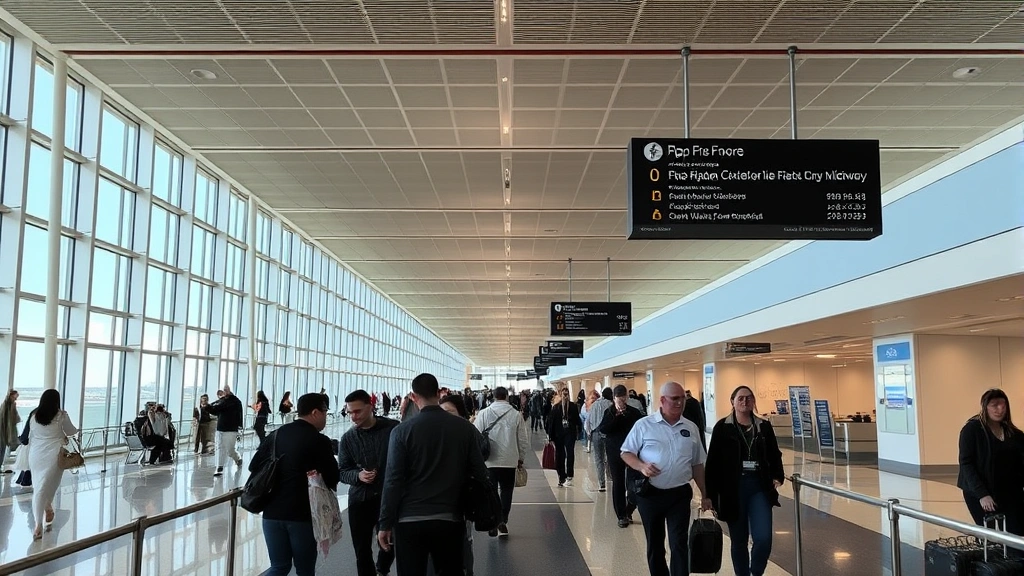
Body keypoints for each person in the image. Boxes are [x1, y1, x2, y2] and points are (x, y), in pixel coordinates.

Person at [378, 373, 491, 576]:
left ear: (413, 397)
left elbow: (393, 480)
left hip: (408, 520)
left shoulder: (402, 431)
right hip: (450, 518)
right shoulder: (464, 428)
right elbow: (480, 472)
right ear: (439, 393)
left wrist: (385, 523)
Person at [620, 382, 710, 576]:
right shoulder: (644, 425)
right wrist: (642, 466)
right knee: (655, 544)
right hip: (650, 494)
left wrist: (705, 494)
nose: (680, 402)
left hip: (679, 494)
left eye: (682, 398)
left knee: (679, 543)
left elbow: (697, 464)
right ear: (662, 400)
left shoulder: (691, 427)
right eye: (675, 398)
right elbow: (626, 453)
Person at [249, 393, 339, 576]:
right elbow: (333, 477)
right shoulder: (319, 440)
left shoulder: (276, 435)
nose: (325, 418)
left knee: (279, 566)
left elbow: (254, 466)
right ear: (315, 412)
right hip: (302, 516)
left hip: (271, 513)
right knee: (305, 570)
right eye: (325, 412)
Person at [704, 386, 785, 576]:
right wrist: (710, 495)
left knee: (763, 538)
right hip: (733, 490)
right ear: (732, 401)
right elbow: (713, 463)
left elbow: (775, 454)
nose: (745, 402)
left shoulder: (763, 426)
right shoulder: (723, 427)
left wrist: (777, 476)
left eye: (749, 398)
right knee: (739, 540)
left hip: (759, 487)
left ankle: (755, 572)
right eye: (740, 398)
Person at [338, 390, 399, 576]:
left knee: (390, 543)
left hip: (387, 498)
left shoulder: (393, 429)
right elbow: (342, 471)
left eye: (357, 411)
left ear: (371, 407)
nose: (353, 417)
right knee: (362, 550)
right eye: (350, 412)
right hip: (360, 500)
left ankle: (382, 568)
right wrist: (358, 476)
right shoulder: (348, 438)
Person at [958, 388, 1024, 539]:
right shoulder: (972, 430)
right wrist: (982, 494)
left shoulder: (1013, 434)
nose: (999, 409)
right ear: (985, 407)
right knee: (991, 536)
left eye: (1003, 405)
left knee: (1017, 533)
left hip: (1009, 492)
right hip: (980, 492)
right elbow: (966, 463)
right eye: (994, 405)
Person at [473, 386, 528, 537]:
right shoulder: (516, 414)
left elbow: (475, 436)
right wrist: (521, 458)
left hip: (489, 461)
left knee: (491, 492)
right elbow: (523, 440)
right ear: (507, 397)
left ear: (494, 397)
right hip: (509, 460)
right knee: (507, 490)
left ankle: (494, 520)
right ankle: (503, 519)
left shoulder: (484, 413)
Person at [441, 393, 484, 576]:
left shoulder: (468, 431)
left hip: (461, 497)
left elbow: (479, 463)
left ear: (460, 412)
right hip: (438, 499)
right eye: (442, 412)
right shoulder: (435, 433)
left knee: (463, 539)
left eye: (450, 412)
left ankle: (466, 570)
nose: (445, 416)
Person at [27, 389, 78, 540]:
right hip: (53, 455)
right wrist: (62, 435)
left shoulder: (34, 415)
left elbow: (32, 434)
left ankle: (44, 514)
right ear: (57, 400)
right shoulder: (61, 415)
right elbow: (71, 431)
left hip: (35, 454)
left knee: (39, 486)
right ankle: (39, 522)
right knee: (48, 485)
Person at [598, 385, 644, 527]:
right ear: (614, 398)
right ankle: (621, 515)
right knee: (618, 483)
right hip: (614, 451)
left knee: (634, 484)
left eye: (623, 398)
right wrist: (616, 417)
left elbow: (641, 430)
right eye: (618, 398)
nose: (621, 401)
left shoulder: (634, 413)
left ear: (627, 397)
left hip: (632, 452)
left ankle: (629, 508)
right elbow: (603, 429)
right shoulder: (609, 412)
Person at [545, 387, 582, 487]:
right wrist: (550, 437)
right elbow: (550, 423)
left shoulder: (573, 406)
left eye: (567, 394)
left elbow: (577, 420)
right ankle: (561, 476)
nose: (565, 396)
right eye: (564, 394)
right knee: (559, 455)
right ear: (561, 395)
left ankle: (570, 475)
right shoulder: (556, 407)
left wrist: (579, 431)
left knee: (570, 453)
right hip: (558, 434)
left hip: (570, 433)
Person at [207, 385, 243, 477]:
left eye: (226, 390)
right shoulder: (222, 401)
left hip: (231, 429)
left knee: (230, 450)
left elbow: (238, 413)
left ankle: (237, 458)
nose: (224, 392)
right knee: (219, 447)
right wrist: (207, 407)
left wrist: (240, 427)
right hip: (220, 428)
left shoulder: (235, 402)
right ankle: (219, 467)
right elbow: (215, 410)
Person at [585, 388, 614, 492]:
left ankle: (602, 483)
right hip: (608, 434)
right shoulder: (611, 405)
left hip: (596, 433)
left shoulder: (595, 405)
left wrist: (589, 432)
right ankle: (610, 477)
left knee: (599, 458)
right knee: (610, 456)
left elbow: (588, 421)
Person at [0, 390, 20, 473]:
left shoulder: (5, 405)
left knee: (2, 449)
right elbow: (12, 419)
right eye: (14, 397)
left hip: (4, 430)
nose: (15, 399)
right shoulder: (8, 405)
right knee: (1, 448)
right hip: (3, 431)